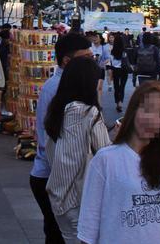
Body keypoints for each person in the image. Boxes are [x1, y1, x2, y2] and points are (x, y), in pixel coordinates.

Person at [78, 72, 160, 243]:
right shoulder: (106, 159)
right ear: (133, 112)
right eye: (147, 110)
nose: (153, 119)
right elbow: (89, 225)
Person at [31, 31, 95, 244]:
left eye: (92, 57)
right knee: (59, 234)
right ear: (67, 61)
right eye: (85, 58)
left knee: (56, 233)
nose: (91, 63)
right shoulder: (58, 89)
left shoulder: (67, 86)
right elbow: (54, 139)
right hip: (53, 175)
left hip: (57, 175)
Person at [44, 56, 111, 238]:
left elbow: (51, 150)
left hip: (59, 196)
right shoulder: (88, 113)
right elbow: (106, 153)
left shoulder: (58, 108)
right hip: (77, 198)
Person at [109, 33, 130, 114]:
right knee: (122, 87)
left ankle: (117, 102)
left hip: (115, 70)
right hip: (123, 70)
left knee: (116, 87)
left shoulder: (112, 51)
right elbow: (126, 61)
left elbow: (111, 62)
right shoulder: (124, 51)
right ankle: (121, 102)